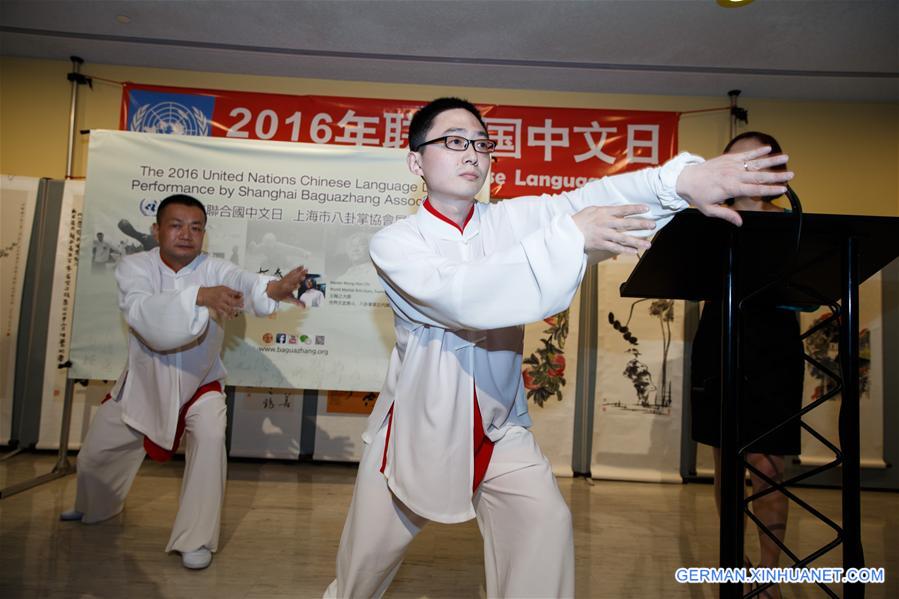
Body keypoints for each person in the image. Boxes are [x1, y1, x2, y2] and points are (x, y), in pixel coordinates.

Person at [324, 98, 793, 598]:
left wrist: (675, 184)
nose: (472, 155)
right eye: (454, 142)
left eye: (481, 144)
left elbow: (585, 198)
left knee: (544, 526)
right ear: (416, 161)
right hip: (416, 433)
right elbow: (463, 297)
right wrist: (568, 238)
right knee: (361, 574)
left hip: (498, 430)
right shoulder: (396, 243)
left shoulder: (508, 221)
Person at [61, 194, 308, 570]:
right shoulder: (134, 267)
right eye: (176, 225)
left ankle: (196, 540)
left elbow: (242, 282)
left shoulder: (214, 269)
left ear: (204, 234)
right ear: (156, 230)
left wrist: (270, 291)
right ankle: (94, 506)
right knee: (95, 455)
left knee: (209, 444)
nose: (186, 235)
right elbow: (146, 317)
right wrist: (198, 297)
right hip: (143, 383)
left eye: (195, 228)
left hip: (201, 385)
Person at [690, 131, 801, 599]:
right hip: (719, 340)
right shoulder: (705, 222)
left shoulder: (793, 224)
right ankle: (735, 562)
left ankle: (770, 575)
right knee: (727, 461)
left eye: (754, 162)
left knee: (769, 463)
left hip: (773, 345)